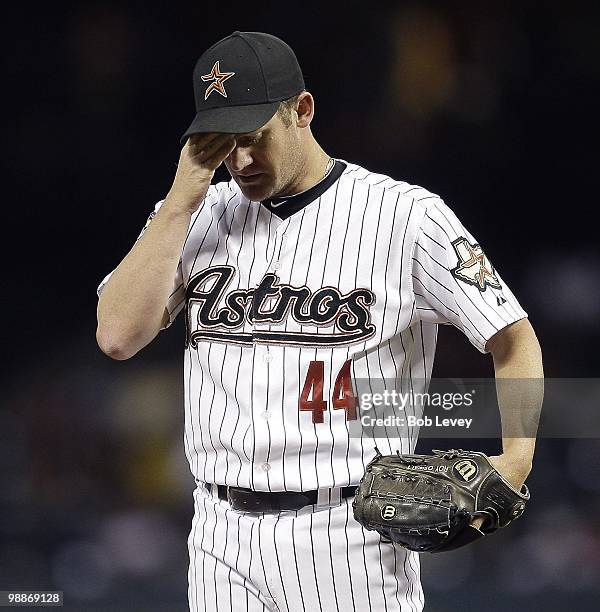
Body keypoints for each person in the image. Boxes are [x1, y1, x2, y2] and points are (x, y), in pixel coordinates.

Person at [96, 31, 543, 612]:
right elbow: (117, 337)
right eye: (223, 144)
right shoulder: (191, 215)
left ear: (301, 110)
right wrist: (181, 199)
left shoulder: (404, 215)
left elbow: (513, 338)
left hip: (346, 537)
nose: (242, 160)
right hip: (217, 533)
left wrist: (516, 459)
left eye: (255, 138)